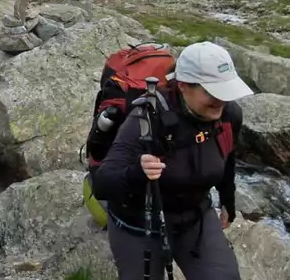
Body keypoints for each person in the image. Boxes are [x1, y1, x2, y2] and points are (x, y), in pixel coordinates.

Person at [91, 41, 252, 280]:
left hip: (195, 218)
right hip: (139, 226)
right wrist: (138, 172)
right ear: (184, 85)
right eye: (212, 92)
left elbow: (227, 158)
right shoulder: (145, 119)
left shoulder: (228, 116)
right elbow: (103, 185)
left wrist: (227, 199)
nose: (221, 101)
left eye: (225, 91)